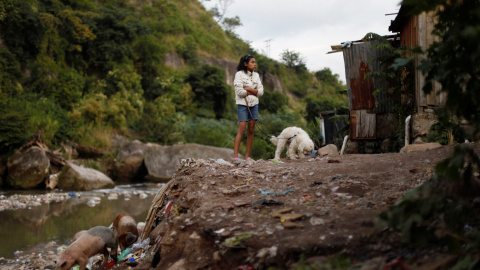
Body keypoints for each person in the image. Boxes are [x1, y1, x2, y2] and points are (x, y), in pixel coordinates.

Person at [232, 54, 264, 161]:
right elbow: (240, 92)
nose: (255, 64)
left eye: (255, 62)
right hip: (242, 104)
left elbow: (261, 92)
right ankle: (236, 157)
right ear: (245, 64)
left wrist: (248, 89)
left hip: (254, 105)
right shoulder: (239, 75)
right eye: (252, 62)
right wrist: (254, 91)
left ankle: (247, 157)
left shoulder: (256, 75)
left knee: (251, 129)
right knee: (241, 128)